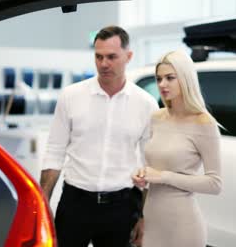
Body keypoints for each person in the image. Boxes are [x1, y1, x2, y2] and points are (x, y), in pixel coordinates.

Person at [39, 25, 158, 247]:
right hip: (75, 204)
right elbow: (54, 152)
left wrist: (144, 216)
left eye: (112, 57)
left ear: (128, 56)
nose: (104, 64)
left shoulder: (146, 104)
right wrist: (42, 202)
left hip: (121, 208)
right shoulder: (71, 96)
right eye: (99, 57)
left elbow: (148, 164)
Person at [132, 50, 222, 247]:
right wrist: (142, 175)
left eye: (170, 78)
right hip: (152, 219)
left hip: (183, 225)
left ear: (185, 78)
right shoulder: (157, 118)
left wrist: (164, 176)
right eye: (159, 79)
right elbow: (154, 166)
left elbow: (215, 184)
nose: (162, 84)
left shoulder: (204, 123)